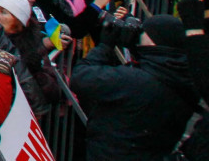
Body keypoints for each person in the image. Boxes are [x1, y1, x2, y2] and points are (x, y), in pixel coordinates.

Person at [71, 13, 199, 161]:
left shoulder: (135, 80)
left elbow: (81, 77)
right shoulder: (184, 76)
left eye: (144, 33)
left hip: (113, 153)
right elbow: (156, 64)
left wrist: (105, 46)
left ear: (153, 42)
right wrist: (135, 47)